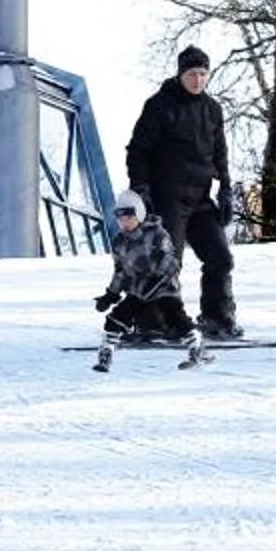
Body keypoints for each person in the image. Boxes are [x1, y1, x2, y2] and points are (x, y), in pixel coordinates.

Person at [125, 45, 237, 335]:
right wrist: (141, 189)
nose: (198, 80)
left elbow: (220, 153)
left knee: (220, 258)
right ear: (180, 74)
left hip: (199, 198)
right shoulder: (160, 106)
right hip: (166, 198)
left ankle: (217, 318)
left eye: (203, 74)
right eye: (192, 74)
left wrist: (225, 189)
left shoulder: (212, 109)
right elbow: (137, 151)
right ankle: (153, 323)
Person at [95, 188, 195, 345]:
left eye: (129, 217)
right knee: (119, 316)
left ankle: (194, 345)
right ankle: (108, 351)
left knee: (174, 315)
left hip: (163, 290)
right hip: (139, 292)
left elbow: (171, 264)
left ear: (139, 214)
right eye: (121, 218)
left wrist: (156, 279)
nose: (124, 222)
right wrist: (111, 295)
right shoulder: (120, 243)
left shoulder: (156, 234)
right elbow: (121, 272)